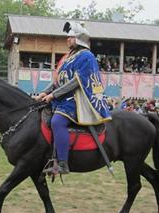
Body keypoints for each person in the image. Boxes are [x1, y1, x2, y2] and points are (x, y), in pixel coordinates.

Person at [35, 21, 112, 174]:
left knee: (57, 122)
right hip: (63, 99)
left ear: (79, 38)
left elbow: (77, 81)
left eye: (70, 37)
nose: (67, 40)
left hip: (78, 100)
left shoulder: (86, 56)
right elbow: (58, 80)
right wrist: (45, 92)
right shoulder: (68, 57)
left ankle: (63, 164)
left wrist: (53, 95)